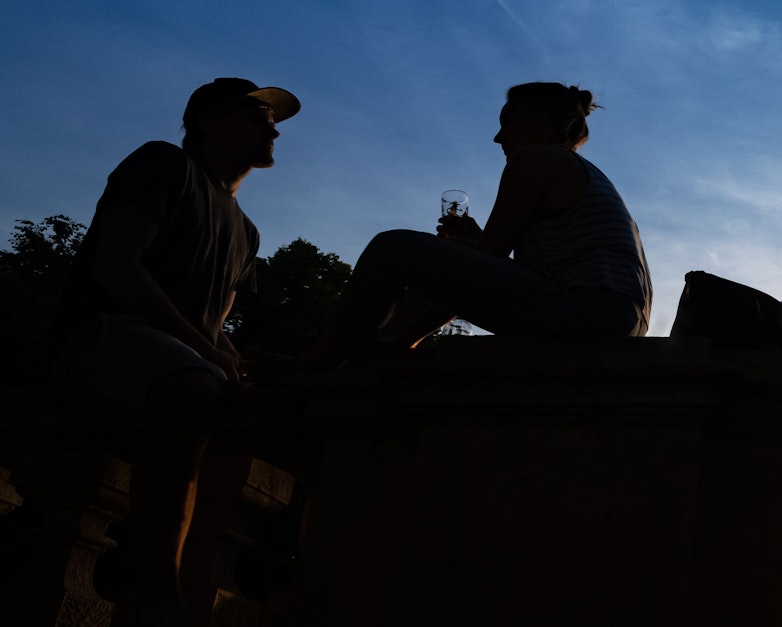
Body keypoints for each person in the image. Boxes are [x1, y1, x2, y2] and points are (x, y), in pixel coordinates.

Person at [54, 77, 299, 624]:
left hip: (175, 353)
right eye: (255, 117)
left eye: (272, 122)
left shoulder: (247, 232)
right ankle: (157, 593)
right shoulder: (163, 164)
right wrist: (206, 351)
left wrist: (246, 361)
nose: (273, 130)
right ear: (206, 122)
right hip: (104, 334)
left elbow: (211, 325)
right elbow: (118, 268)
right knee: (194, 389)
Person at [299, 83, 651, 366]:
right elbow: (507, 265)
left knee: (392, 247)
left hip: (590, 311)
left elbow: (490, 256)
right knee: (456, 250)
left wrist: (469, 253)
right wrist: (470, 246)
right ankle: (390, 343)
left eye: (507, 123)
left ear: (539, 123)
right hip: (618, 318)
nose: (498, 137)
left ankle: (327, 356)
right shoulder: (582, 171)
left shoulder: (535, 158)